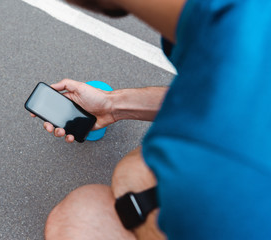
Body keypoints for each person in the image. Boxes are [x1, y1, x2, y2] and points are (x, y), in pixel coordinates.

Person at [31, 0, 271, 239]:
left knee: (79, 216)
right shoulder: (248, 27)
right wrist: (112, 105)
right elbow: (208, 96)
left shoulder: (211, 161)